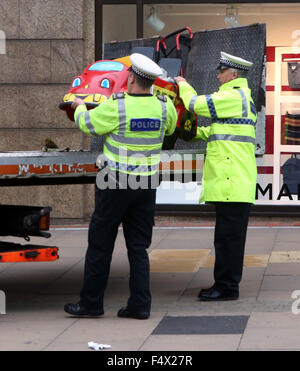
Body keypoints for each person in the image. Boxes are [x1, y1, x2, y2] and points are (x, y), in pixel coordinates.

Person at [64, 53, 177, 319]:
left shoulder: (117, 106)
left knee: (100, 244)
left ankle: (91, 304)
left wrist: (80, 105)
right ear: (152, 82)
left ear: (131, 77)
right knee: (138, 248)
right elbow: (170, 129)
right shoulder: (164, 106)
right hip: (147, 184)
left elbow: (87, 125)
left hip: (115, 182)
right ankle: (140, 306)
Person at [174, 51, 257, 301]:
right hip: (233, 181)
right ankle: (225, 284)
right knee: (227, 238)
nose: (218, 75)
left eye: (221, 72)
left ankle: (227, 288)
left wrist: (183, 85)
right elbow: (220, 130)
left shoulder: (233, 95)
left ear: (234, 74)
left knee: (228, 240)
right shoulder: (239, 97)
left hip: (232, 181)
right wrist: (193, 133)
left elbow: (196, 104)